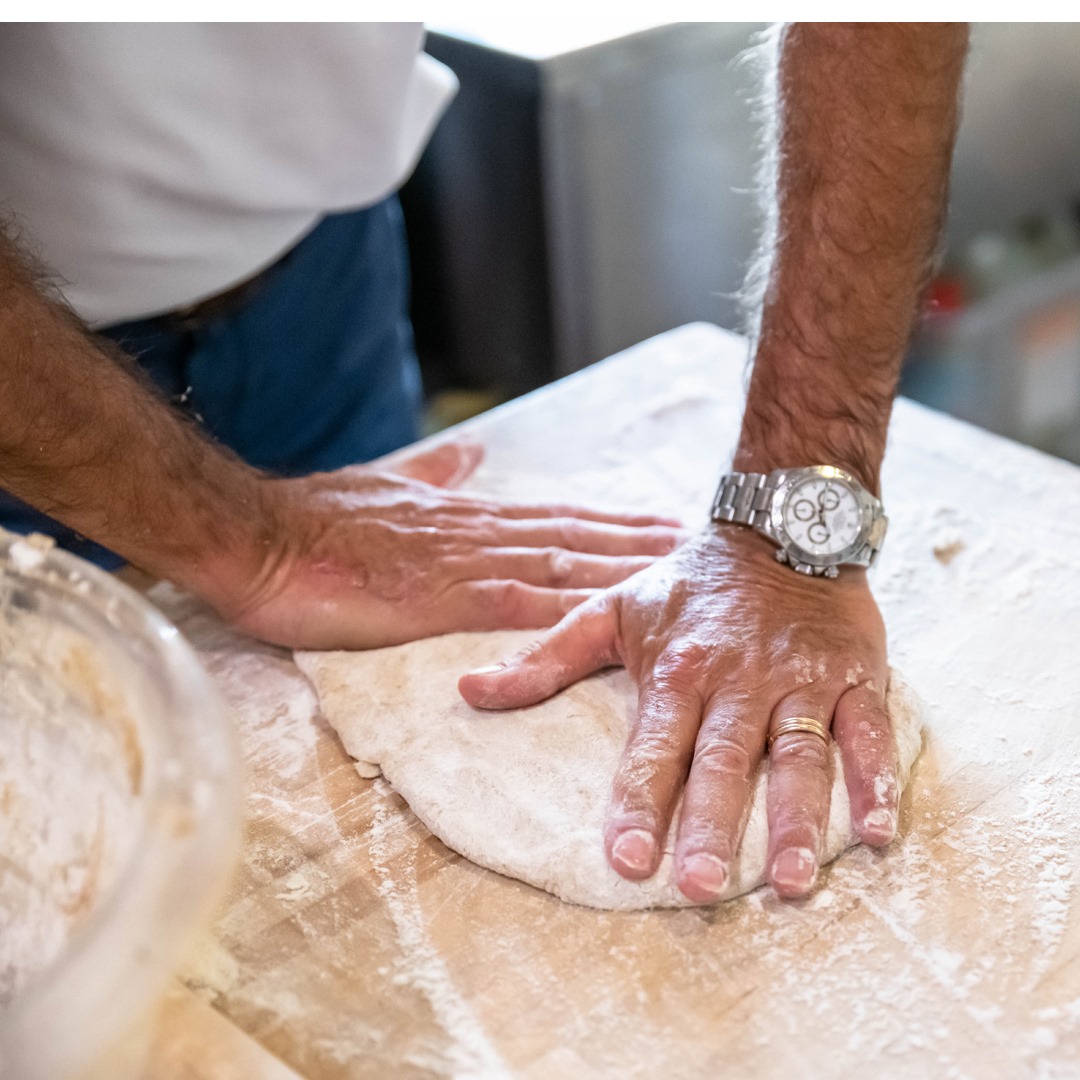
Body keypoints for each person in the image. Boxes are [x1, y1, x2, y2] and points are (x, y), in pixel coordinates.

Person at [0, 23, 969, 903]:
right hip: (31, 353)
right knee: (56, 856)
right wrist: (244, 540)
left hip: (315, 264)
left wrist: (796, 507)